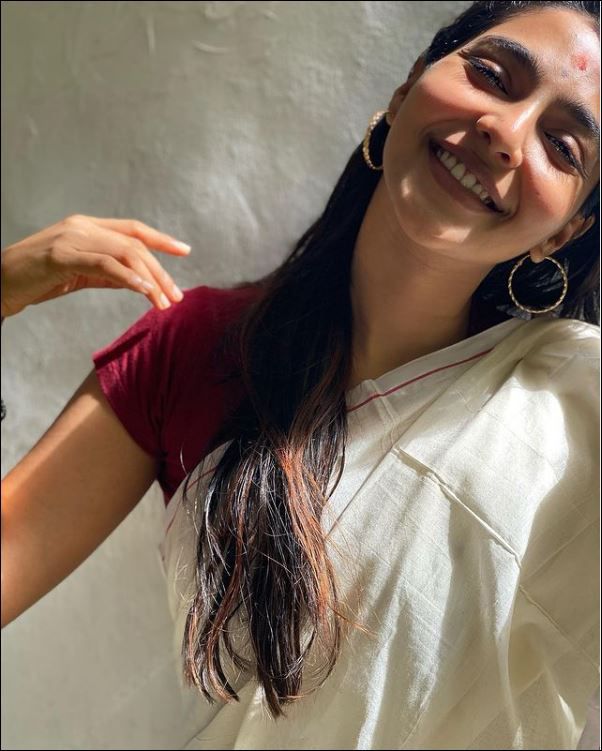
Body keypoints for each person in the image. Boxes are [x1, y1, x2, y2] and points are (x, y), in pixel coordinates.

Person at [1, 1, 600, 748]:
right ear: (408, 85)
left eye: (564, 146)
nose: (505, 135)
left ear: (568, 230)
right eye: (491, 76)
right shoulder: (201, 348)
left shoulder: (577, 415)